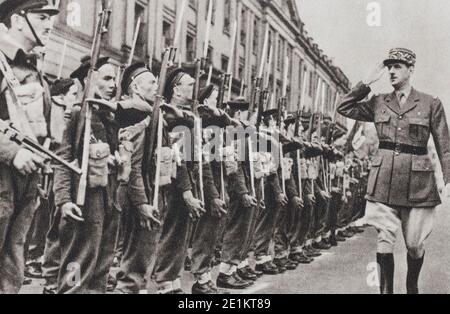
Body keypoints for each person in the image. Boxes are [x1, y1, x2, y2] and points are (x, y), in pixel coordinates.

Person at [338, 48, 450, 294]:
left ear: (411, 70)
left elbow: (444, 145)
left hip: (418, 183)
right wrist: (366, 82)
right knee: (384, 239)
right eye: (389, 67)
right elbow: (344, 107)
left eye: (397, 66)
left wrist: (449, 178)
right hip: (384, 178)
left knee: (414, 244)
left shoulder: (431, 103)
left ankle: (412, 285)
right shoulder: (378, 101)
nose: (391, 71)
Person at [0, 0, 59, 294]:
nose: (49, 23)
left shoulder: (30, 65)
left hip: (26, 177)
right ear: (18, 19)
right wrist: (13, 151)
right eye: (42, 16)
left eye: (51, 17)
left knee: (13, 258)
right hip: (4, 171)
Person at [53, 57, 122, 294]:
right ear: (88, 80)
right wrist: (64, 200)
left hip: (108, 198)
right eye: (107, 78)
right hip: (83, 200)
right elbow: (61, 161)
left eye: (115, 79)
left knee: (101, 265)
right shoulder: (75, 114)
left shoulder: (109, 116)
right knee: (77, 266)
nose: (113, 84)